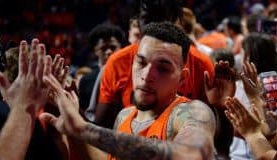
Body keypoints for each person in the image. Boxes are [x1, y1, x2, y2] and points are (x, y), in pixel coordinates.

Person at [40, 22, 217, 160]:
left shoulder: (193, 112)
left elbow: (192, 155)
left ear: (182, 79)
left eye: (163, 69)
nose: (147, 76)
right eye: (141, 62)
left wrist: (83, 129)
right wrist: (72, 131)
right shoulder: (124, 116)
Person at [96, 0, 214, 128]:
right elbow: (101, 130)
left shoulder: (201, 64)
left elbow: (217, 138)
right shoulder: (117, 62)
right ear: (137, 21)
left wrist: (219, 108)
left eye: (163, 68)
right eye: (141, 63)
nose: (154, 27)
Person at [78, 24, 124, 114]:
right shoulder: (86, 81)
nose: (109, 52)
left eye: (113, 47)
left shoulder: (130, 77)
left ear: (120, 47)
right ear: (96, 51)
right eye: (103, 48)